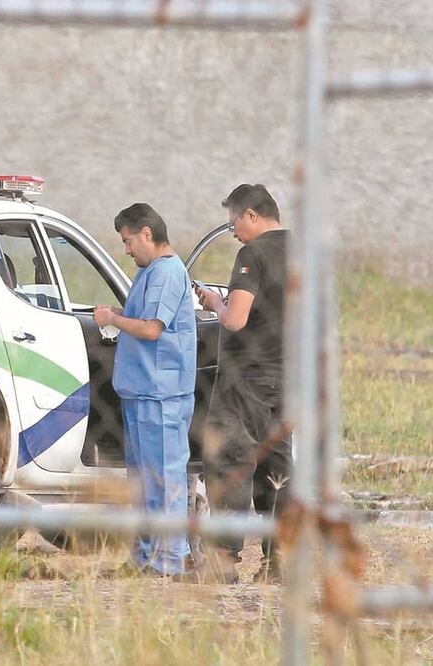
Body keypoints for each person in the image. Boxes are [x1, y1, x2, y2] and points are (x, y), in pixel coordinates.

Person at [93, 203, 197, 577]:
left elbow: (152, 329)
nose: (127, 249)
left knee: (165, 477)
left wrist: (112, 319)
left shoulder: (168, 272)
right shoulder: (149, 273)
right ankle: (144, 557)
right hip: (141, 391)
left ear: (147, 234)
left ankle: (168, 560)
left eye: (128, 241)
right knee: (142, 481)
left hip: (162, 394)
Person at [196, 183, 292, 583]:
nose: (233, 231)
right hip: (290, 374)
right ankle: (278, 562)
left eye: (234, 221)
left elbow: (235, 318)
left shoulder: (252, 253)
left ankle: (224, 562)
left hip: (247, 376)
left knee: (231, 461)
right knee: (278, 465)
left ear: (251, 215)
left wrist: (214, 302)